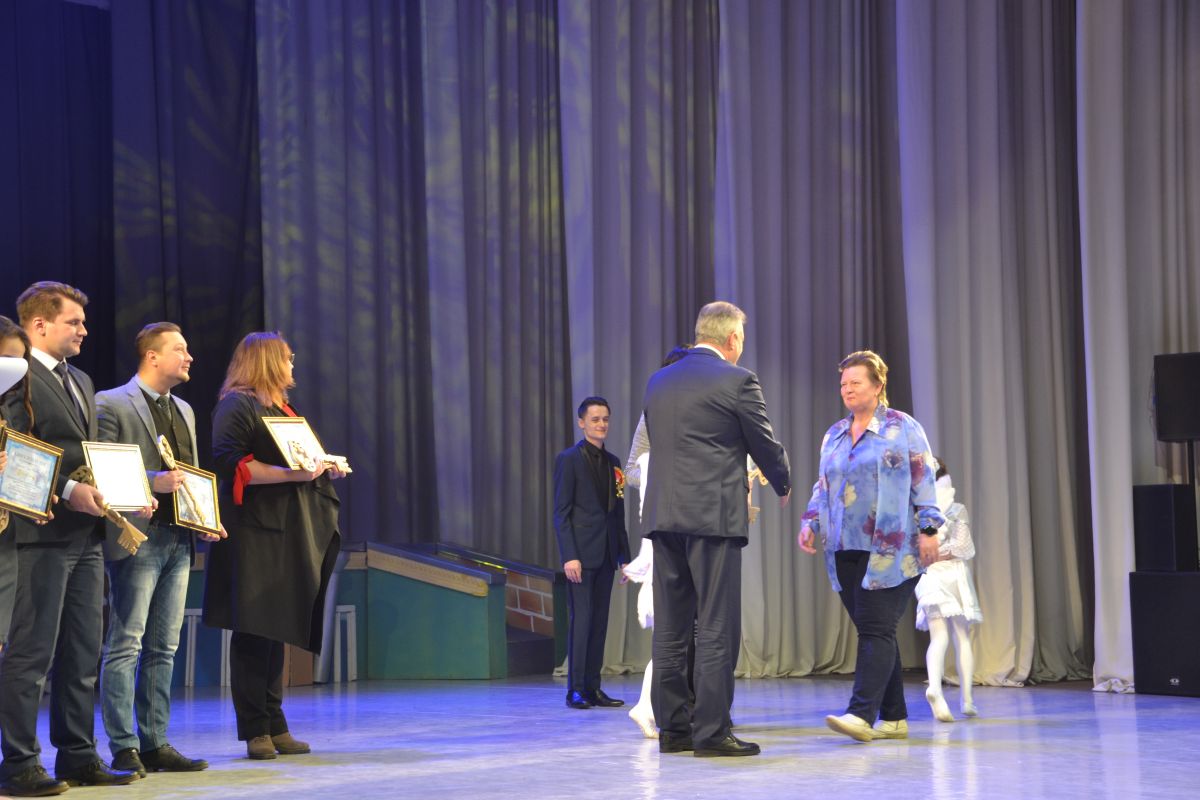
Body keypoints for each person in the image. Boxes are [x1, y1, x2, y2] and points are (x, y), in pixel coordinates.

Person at [0, 283, 140, 795]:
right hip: (39, 532)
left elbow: (89, 453)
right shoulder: (13, 372)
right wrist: (66, 489)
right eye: (73, 322)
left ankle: (77, 756)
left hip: (85, 534)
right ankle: (19, 764)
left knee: (82, 651)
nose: (84, 330)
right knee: (32, 652)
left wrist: (127, 491)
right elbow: (15, 450)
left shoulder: (80, 379)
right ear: (39, 325)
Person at [642, 301, 790, 758]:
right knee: (715, 626)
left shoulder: (658, 381)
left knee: (671, 629)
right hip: (712, 519)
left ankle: (674, 731)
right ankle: (711, 732)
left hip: (664, 518)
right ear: (732, 339)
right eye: (741, 338)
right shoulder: (737, 380)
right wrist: (782, 480)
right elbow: (762, 442)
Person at [203, 332, 344, 760]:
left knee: (276, 627)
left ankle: (275, 722)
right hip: (253, 532)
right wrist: (294, 475)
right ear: (266, 360)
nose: (292, 364)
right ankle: (255, 729)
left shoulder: (280, 406)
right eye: (287, 357)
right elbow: (231, 463)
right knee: (254, 627)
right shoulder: (237, 404)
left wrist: (324, 465)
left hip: (285, 531)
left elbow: (299, 457)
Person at [96, 323, 226, 777]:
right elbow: (101, 467)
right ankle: (123, 745)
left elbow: (190, 474)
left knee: (163, 647)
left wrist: (205, 517)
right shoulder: (111, 402)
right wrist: (153, 481)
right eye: (179, 349)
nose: (189, 357)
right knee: (126, 642)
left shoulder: (184, 410)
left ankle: (155, 741)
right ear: (152, 356)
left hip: (178, 538)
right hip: (138, 537)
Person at [798, 349, 945, 743]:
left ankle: (861, 713)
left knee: (875, 629)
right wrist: (810, 520)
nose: (847, 389)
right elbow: (823, 484)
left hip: (891, 548)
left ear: (878, 386)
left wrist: (929, 528)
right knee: (874, 629)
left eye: (855, 382)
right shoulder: (834, 433)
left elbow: (923, 479)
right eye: (843, 383)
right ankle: (894, 718)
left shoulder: (903, 427)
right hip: (844, 547)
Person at [622, 345, 691, 738]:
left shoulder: (702, 414)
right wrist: (663, 472)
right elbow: (633, 470)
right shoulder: (652, 417)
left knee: (685, 627)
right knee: (671, 626)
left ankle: (668, 707)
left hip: (692, 522)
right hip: (665, 523)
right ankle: (652, 706)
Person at [552, 396, 631, 710]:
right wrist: (569, 555)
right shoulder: (568, 459)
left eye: (605, 419)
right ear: (581, 422)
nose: (601, 424)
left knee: (599, 623)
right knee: (581, 621)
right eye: (595, 419)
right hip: (581, 557)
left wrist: (624, 556)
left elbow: (617, 512)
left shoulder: (614, 462)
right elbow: (561, 512)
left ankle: (593, 687)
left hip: (607, 553)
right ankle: (575, 690)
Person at [915, 457, 982, 722]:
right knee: (960, 636)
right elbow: (962, 548)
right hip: (949, 573)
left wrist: (930, 556)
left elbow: (960, 548)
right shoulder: (954, 509)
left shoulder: (918, 511)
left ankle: (942, 689)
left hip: (932, 573)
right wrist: (941, 553)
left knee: (940, 636)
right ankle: (966, 699)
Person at [0, 315, 35, 657]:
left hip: (3, 543)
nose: (15, 369)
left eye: (20, 361)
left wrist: (34, 497)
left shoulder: (8, 410)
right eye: (7, 359)